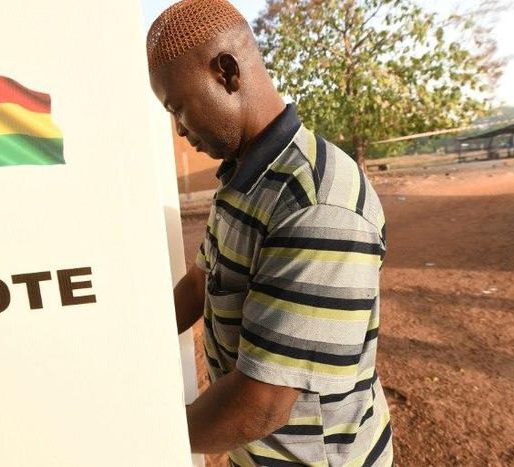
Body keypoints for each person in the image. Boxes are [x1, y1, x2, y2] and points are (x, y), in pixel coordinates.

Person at [147, 1, 393, 466]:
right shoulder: (243, 179)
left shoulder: (317, 205)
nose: (178, 130)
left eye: (178, 108)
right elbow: (202, 284)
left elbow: (260, 405)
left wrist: (133, 433)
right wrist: (131, 339)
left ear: (227, 72)